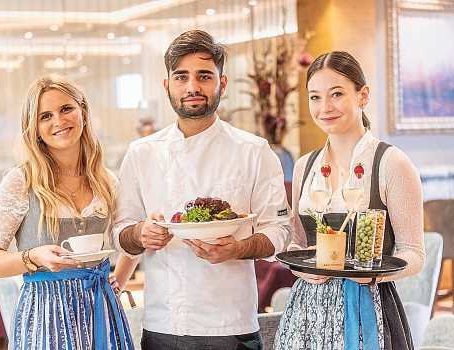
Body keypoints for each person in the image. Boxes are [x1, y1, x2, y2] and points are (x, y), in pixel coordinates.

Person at [112, 29, 292, 350]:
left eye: (204, 76)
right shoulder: (141, 153)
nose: (192, 87)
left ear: (222, 83)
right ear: (167, 85)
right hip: (162, 324)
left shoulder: (254, 151)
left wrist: (236, 249)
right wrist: (140, 233)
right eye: (181, 77)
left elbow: (279, 233)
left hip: (230, 324)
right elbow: (120, 233)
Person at [274, 51, 425, 350]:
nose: (325, 107)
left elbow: (414, 255)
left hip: (368, 306)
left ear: (363, 95)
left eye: (337, 94)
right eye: (315, 97)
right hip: (307, 310)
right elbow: (298, 245)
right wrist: (298, 267)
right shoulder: (306, 165)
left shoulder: (391, 163)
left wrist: (372, 273)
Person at [0, 76, 134, 349]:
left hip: (101, 308)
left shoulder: (106, 181)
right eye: (45, 116)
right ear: (35, 129)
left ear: (83, 113)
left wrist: (117, 282)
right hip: (45, 312)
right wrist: (33, 256)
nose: (59, 121)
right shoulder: (20, 182)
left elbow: (130, 239)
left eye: (66, 109)